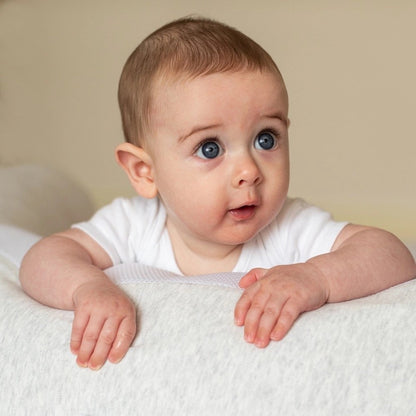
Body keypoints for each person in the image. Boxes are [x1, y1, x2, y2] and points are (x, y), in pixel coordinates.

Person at [19, 16, 415, 371]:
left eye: (266, 138)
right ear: (145, 172)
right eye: (210, 148)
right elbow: (43, 258)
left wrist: (316, 276)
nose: (248, 171)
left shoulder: (290, 227)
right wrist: (87, 287)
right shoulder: (134, 225)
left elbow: (390, 254)